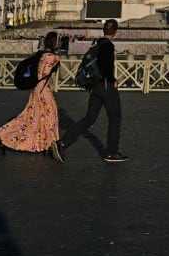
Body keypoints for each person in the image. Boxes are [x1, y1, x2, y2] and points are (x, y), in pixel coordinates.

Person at [52, 19, 127, 163]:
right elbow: (105, 67)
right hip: (106, 87)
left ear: (104, 30)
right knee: (115, 118)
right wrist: (113, 79)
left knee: (89, 119)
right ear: (115, 32)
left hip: (95, 88)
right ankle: (111, 153)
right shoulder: (108, 46)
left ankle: (62, 143)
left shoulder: (97, 44)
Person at [0, 31, 61, 156]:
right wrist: (56, 60)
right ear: (54, 43)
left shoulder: (40, 55)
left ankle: (4, 137)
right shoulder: (52, 57)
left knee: (30, 118)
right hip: (44, 91)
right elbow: (42, 74)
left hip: (36, 89)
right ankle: (52, 144)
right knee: (50, 116)